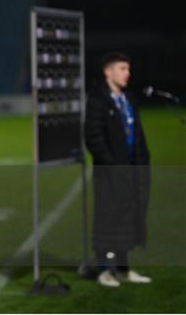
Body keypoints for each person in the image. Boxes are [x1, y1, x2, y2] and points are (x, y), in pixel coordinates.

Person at [84, 52, 151, 287]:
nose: (127, 73)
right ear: (108, 71)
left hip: (132, 171)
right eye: (122, 68)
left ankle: (123, 269)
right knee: (108, 219)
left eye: (128, 69)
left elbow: (138, 135)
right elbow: (93, 137)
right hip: (110, 174)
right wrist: (112, 166)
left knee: (127, 220)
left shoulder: (130, 99)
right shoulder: (97, 100)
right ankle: (104, 271)